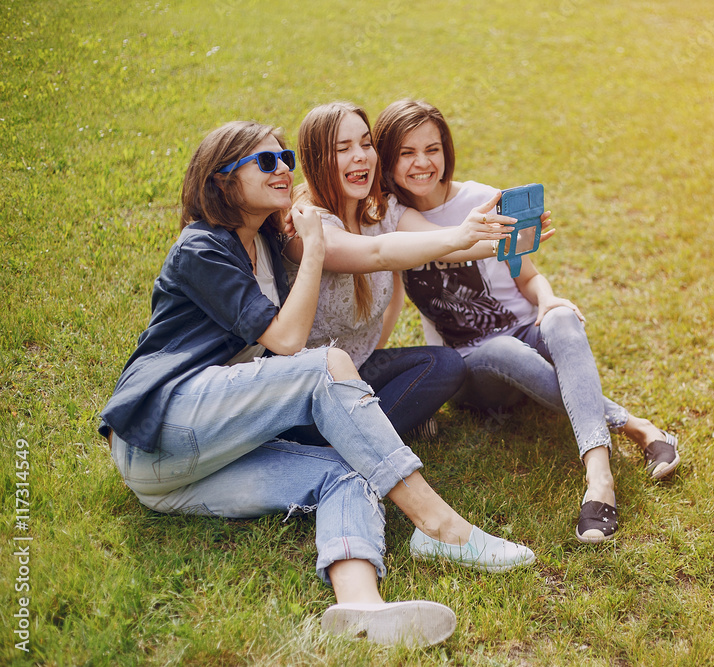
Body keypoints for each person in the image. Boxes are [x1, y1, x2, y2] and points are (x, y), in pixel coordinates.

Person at [98, 121, 535, 648]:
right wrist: (315, 243)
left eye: (285, 157)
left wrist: (481, 238)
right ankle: (442, 527)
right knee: (320, 364)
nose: (283, 167)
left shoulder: (264, 241)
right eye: (265, 162)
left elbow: (386, 252)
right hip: (161, 431)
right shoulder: (202, 249)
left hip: (186, 473)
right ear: (222, 180)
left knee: (347, 473)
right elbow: (287, 339)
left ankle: (360, 606)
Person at [372, 100, 682, 545]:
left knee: (561, 320)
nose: (422, 163)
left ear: (447, 151)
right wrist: (375, 362)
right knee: (502, 349)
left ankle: (600, 479)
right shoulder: (394, 219)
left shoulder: (482, 199)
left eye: (432, 148)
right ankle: (635, 427)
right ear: (387, 159)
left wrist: (549, 301)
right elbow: (395, 296)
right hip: (470, 369)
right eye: (406, 153)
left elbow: (528, 275)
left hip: (524, 333)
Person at [283, 101, 539, 439]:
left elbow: (437, 240)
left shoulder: (381, 212)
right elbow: (378, 254)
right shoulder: (307, 228)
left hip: (360, 368)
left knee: (445, 365)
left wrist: (508, 241)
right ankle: (342, 440)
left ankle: (362, 428)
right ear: (316, 160)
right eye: (343, 148)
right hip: (310, 387)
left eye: (365, 143)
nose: (360, 155)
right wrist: (463, 236)